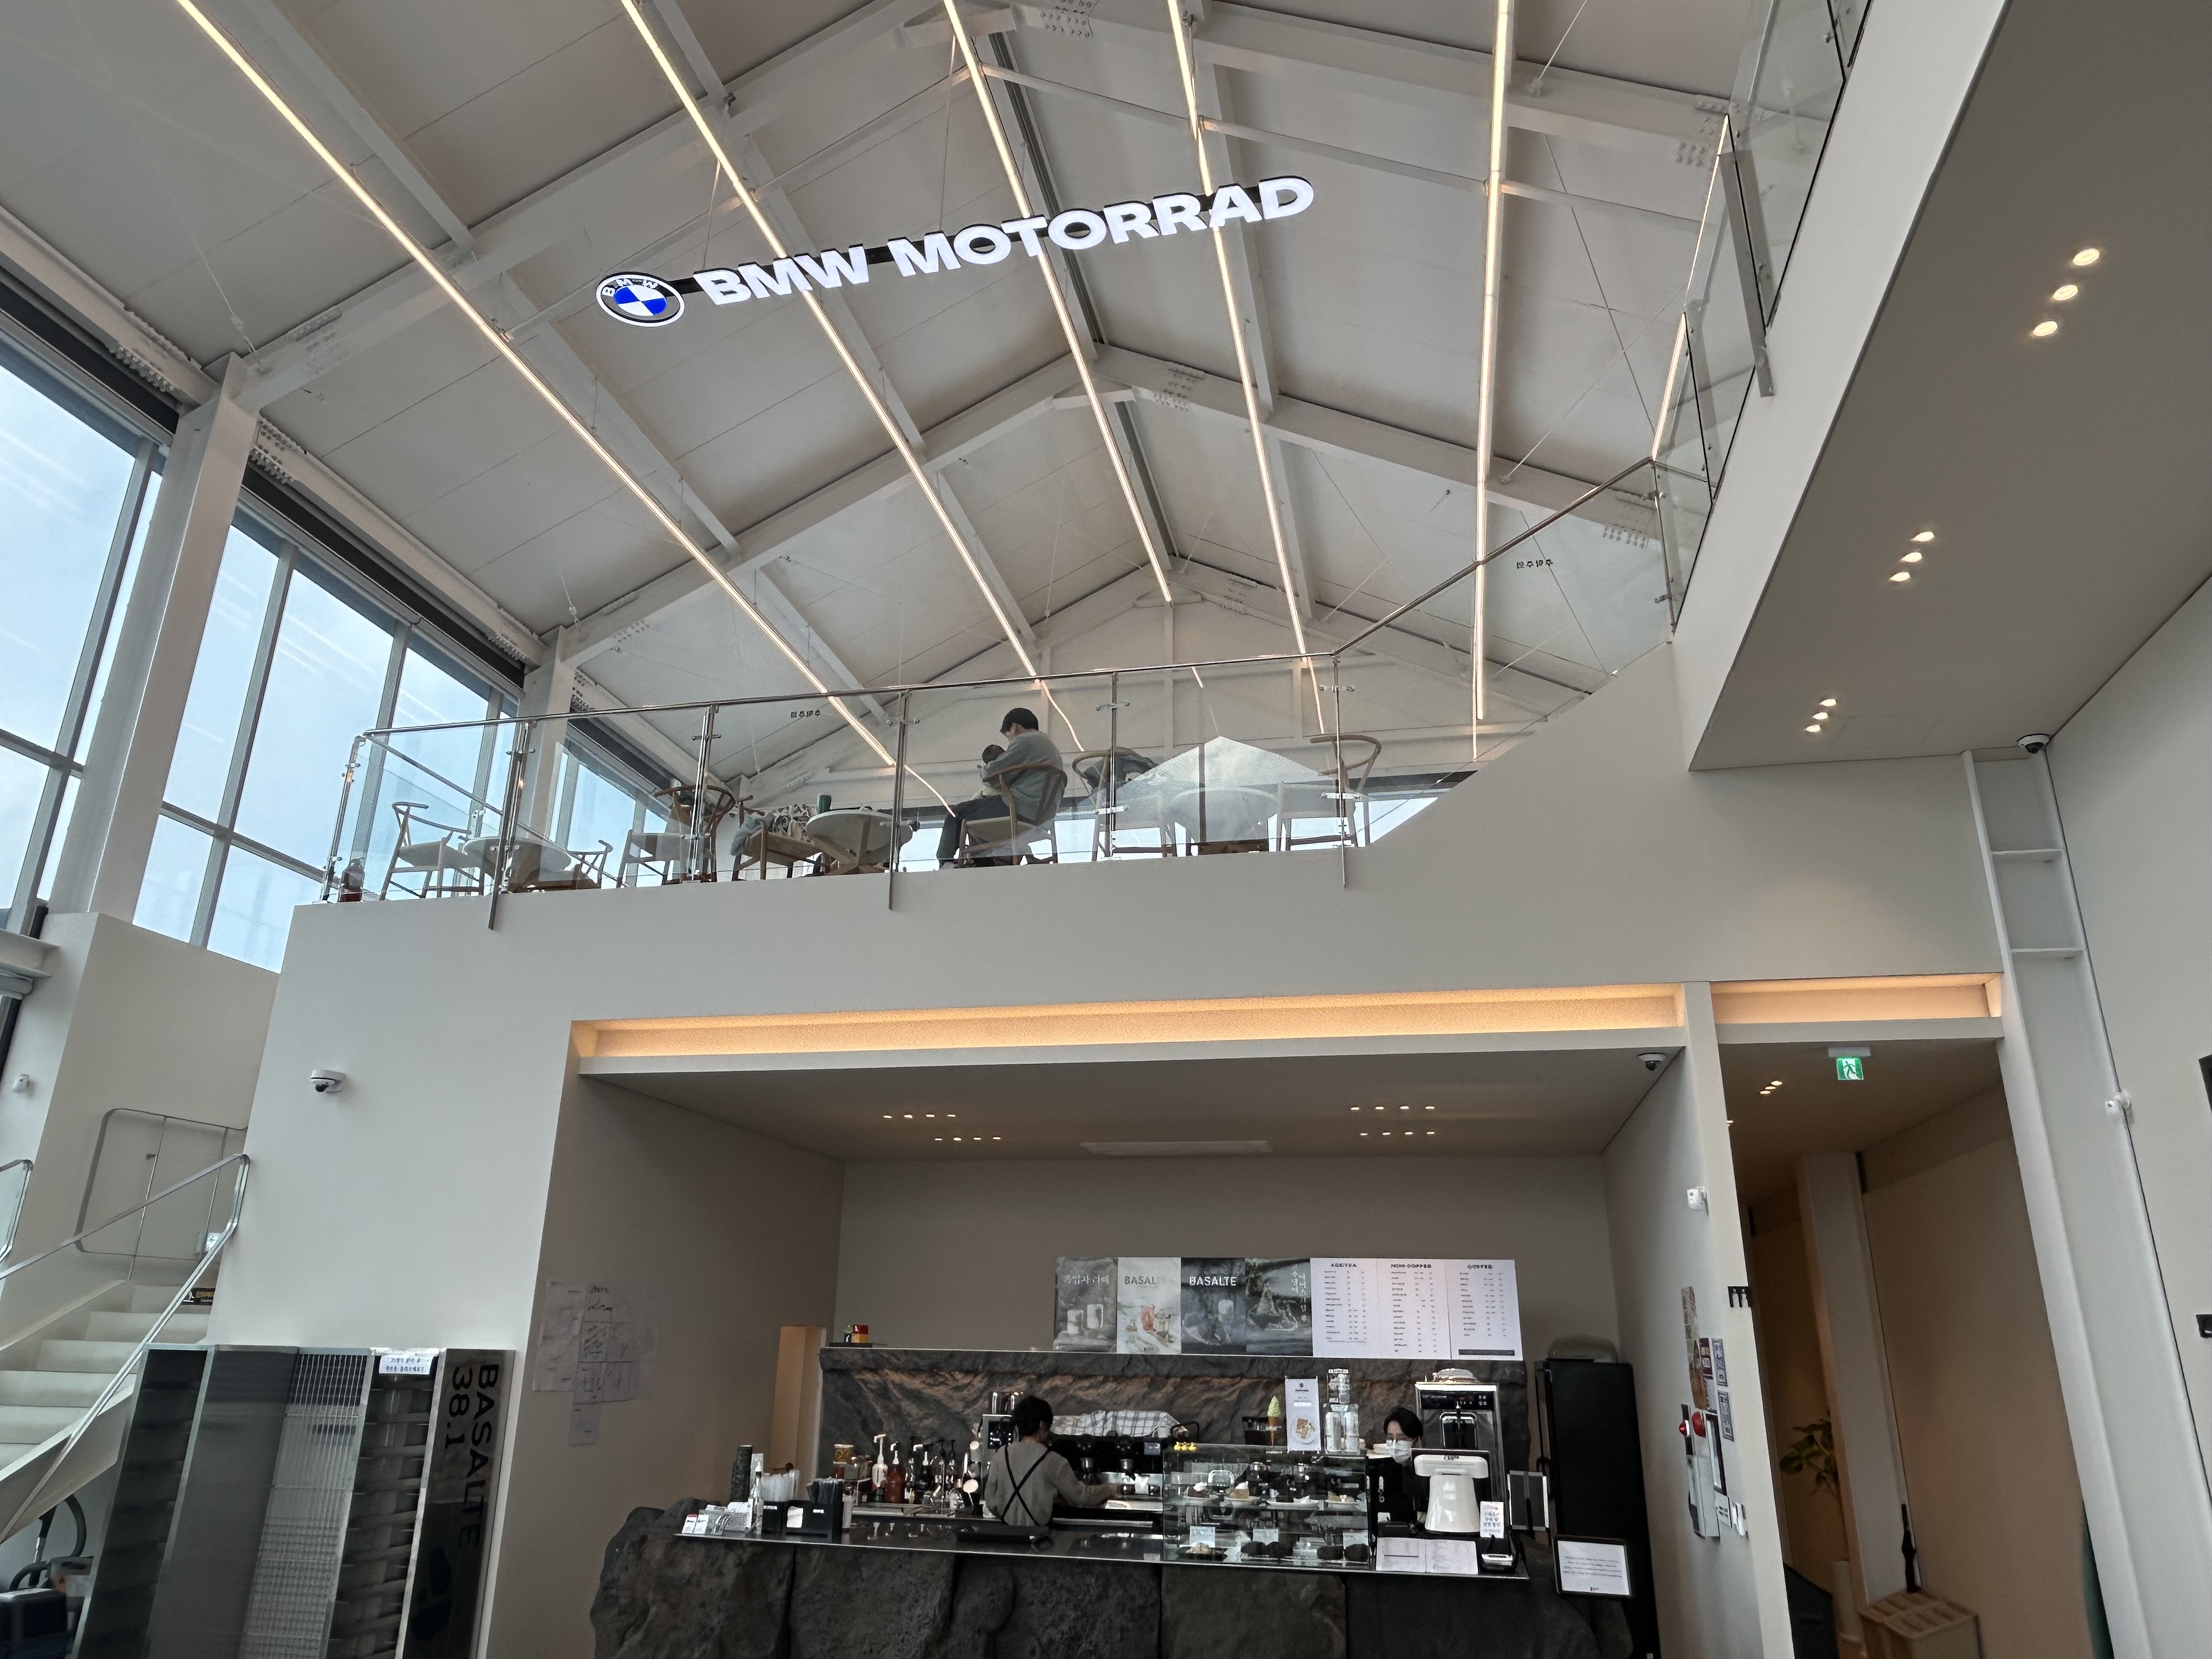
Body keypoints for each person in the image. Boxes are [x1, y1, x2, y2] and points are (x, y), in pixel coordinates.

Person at [935, 707, 1065, 867]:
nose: (1011, 744)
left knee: (956, 813)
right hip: (1043, 814)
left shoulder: (1025, 740)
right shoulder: (1048, 747)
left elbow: (992, 774)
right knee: (978, 819)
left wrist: (985, 770)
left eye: (1009, 738)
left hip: (1020, 808)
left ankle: (945, 862)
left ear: (1014, 727)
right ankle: (983, 866)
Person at [983, 1396, 1110, 1530]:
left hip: (1008, 1538)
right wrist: (1110, 1489)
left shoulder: (1001, 1455)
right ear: (1043, 1426)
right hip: (1038, 1538)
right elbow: (1081, 1497)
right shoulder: (1052, 1460)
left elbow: (990, 1502)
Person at [1376, 1406, 1429, 1523]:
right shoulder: (1382, 1470)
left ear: (1417, 1442)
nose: (1395, 1444)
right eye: (1390, 1438)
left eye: (1402, 1439)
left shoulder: (1425, 1474)